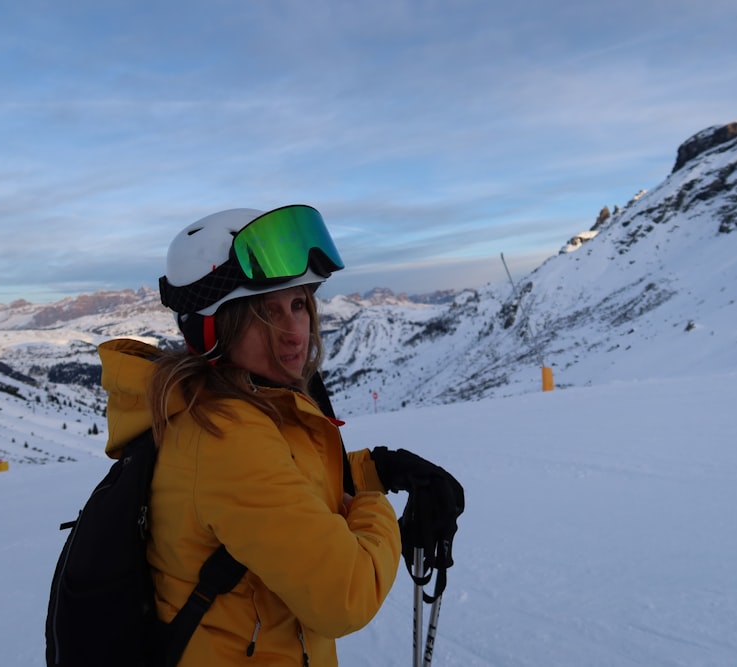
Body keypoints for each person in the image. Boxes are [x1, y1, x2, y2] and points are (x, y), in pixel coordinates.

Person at [97, 205, 463, 667]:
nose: (295, 333)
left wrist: (376, 467)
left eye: (298, 305)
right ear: (212, 328)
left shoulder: (219, 407)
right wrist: (371, 500)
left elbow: (282, 483)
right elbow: (345, 594)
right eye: (263, 313)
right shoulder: (227, 438)